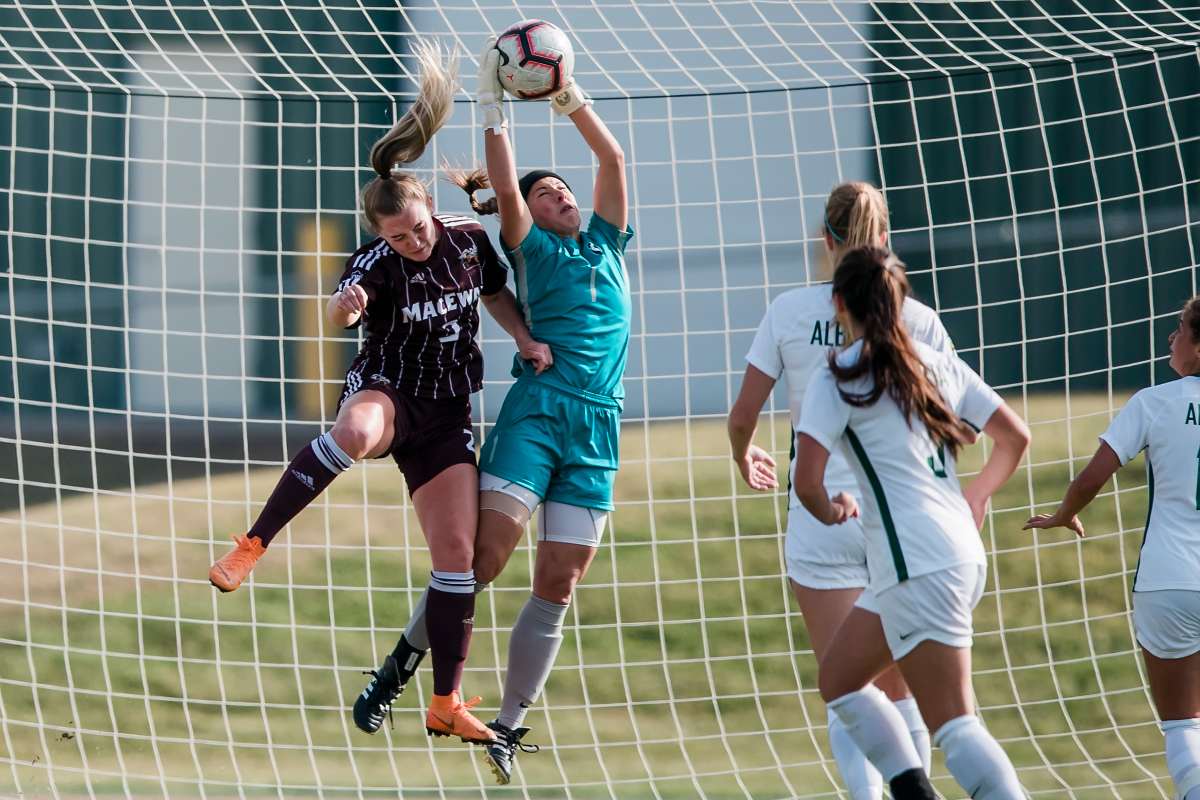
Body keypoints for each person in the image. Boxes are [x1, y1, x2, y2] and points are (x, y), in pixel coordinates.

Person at [206, 42, 550, 745]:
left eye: (417, 228)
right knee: (356, 435)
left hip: (448, 409)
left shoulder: (464, 239)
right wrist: (347, 306)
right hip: (390, 390)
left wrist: (522, 338)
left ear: (429, 207)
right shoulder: (378, 262)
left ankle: (444, 701)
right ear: (381, 237)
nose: (413, 243)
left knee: (457, 557)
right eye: (398, 238)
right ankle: (252, 542)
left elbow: (495, 294)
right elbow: (340, 307)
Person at [352, 35, 632, 785]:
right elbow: (506, 190)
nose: (561, 198)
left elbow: (612, 164)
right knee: (479, 563)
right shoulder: (534, 248)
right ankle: (401, 667)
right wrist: (496, 104)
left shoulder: (608, 241)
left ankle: (506, 727)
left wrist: (570, 95)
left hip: (599, 427)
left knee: (560, 585)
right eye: (547, 197)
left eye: (563, 191)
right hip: (539, 414)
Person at [727, 181, 953, 799]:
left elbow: (743, 415)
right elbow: (955, 424)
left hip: (819, 509)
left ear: (824, 240)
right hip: (900, 516)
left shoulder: (789, 311)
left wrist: (744, 454)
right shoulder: (919, 323)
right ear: (885, 243)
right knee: (902, 683)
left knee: (845, 683)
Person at [795, 246, 1030, 799]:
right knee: (839, 681)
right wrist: (975, 497)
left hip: (916, 563)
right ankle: (912, 791)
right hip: (954, 552)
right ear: (899, 301)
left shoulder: (839, 376)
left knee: (955, 725)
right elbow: (1014, 438)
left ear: (838, 303)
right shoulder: (935, 359)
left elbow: (807, 482)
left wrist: (832, 510)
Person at [1025, 296, 1200, 800]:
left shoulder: (1154, 401)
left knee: (1184, 728)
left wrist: (1064, 513)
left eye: (1182, 327)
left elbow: (1092, 476)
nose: (1172, 337)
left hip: (1167, 582)